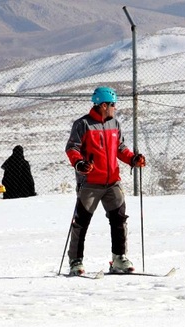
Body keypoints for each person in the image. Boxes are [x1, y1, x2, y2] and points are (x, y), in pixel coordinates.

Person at [64, 86, 146, 276]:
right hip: (90, 183)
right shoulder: (82, 125)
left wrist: (133, 159)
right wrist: (80, 164)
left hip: (112, 182)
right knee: (81, 222)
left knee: (119, 219)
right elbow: (72, 148)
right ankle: (75, 261)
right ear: (103, 105)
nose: (114, 108)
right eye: (112, 105)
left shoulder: (114, 124)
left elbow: (120, 148)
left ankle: (119, 258)